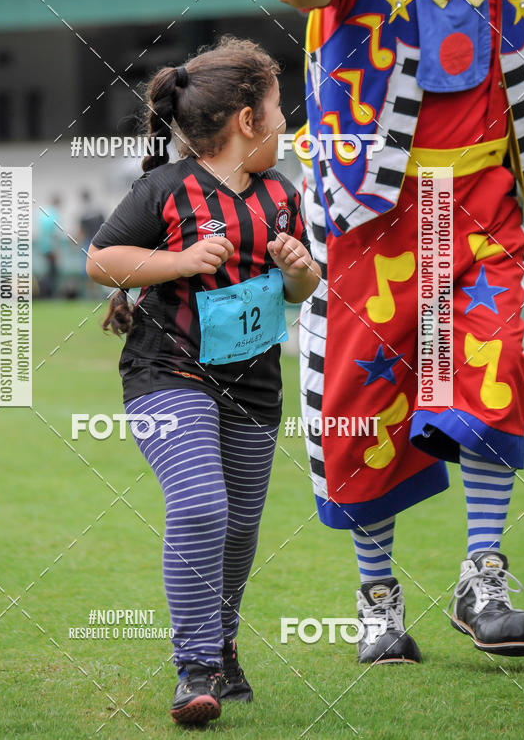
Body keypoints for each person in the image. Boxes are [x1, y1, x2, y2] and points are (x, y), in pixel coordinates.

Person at [278, 0, 524, 664]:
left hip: (487, 203)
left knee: (505, 358)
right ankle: (378, 599)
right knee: (359, 407)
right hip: (374, 211)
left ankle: (482, 574)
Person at [86, 36, 320, 725]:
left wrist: (300, 266)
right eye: (279, 109)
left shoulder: (282, 194)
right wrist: (182, 261)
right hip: (168, 372)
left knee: (242, 526)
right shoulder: (165, 188)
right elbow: (103, 259)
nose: (286, 124)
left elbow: (302, 289)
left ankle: (222, 643)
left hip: (253, 386)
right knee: (200, 505)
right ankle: (195, 668)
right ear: (247, 122)